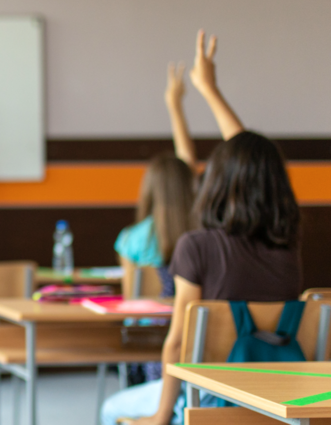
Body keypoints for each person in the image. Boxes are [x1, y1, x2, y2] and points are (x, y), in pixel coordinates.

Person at [102, 30, 303, 425]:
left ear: (216, 184)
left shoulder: (196, 246)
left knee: (112, 409)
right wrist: (210, 90)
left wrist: (162, 417)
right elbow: (254, 162)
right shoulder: (288, 248)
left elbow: (177, 343)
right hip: (274, 399)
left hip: (208, 401)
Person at [116, 63, 199, 301]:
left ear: (149, 190)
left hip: (145, 333)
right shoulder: (202, 232)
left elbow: (131, 300)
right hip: (193, 332)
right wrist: (175, 106)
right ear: (188, 185)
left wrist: (173, 105)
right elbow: (187, 166)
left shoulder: (131, 239)